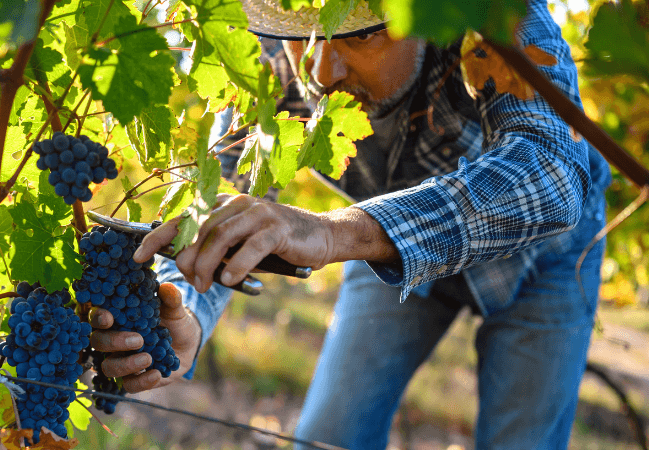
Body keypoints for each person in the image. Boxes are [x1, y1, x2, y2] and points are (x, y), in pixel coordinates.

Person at [88, 0, 612, 448]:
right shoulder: (275, 47)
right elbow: (226, 193)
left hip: (546, 259)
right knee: (327, 437)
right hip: (383, 244)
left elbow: (552, 170)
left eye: (360, 36)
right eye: (306, 36)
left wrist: (334, 232)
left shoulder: (499, 15)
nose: (319, 71)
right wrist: (188, 311)